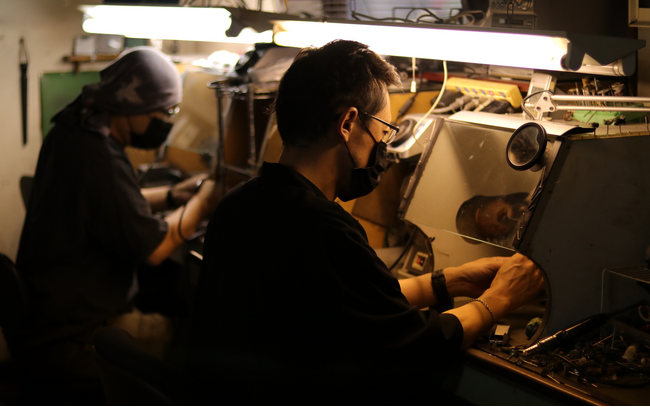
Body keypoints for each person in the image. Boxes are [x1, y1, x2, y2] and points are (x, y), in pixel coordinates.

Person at [185, 40, 543, 405]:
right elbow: (413, 346)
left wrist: (449, 281)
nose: (381, 148)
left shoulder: (240, 203)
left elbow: (348, 301)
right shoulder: (322, 227)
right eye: (383, 132)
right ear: (348, 123)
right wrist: (499, 299)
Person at [4, 47, 220, 402]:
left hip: (46, 320)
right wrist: (204, 200)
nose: (167, 122)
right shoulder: (99, 155)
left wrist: (172, 195)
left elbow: (109, 200)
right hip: (72, 340)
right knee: (193, 339)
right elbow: (155, 248)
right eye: (165, 112)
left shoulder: (73, 129)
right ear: (132, 104)